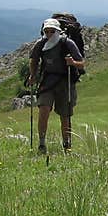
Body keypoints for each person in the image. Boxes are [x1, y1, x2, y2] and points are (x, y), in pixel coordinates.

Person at [28, 17, 85, 153]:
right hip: (47, 81)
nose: (48, 34)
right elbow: (33, 59)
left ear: (57, 31)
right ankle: (42, 144)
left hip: (65, 82)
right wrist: (33, 75)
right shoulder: (41, 44)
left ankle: (67, 145)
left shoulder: (67, 43)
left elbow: (81, 63)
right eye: (46, 31)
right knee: (43, 110)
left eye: (51, 31)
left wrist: (72, 63)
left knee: (65, 115)